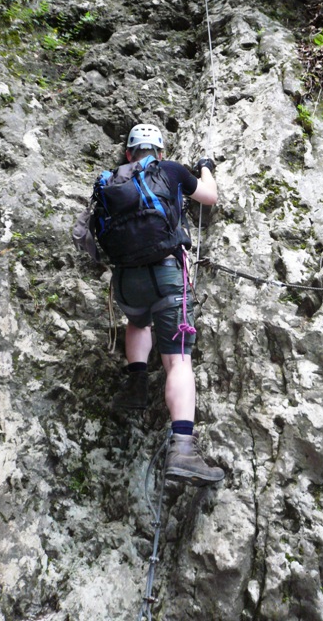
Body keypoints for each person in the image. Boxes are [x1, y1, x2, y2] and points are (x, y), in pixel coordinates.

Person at [110, 123, 224, 486]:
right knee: (177, 361)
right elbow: (208, 197)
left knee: (138, 323)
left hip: (126, 282)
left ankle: (137, 382)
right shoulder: (171, 170)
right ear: (159, 152)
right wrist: (204, 166)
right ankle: (183, 451)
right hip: (166, 275)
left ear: (129, 154)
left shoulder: (111, 182)